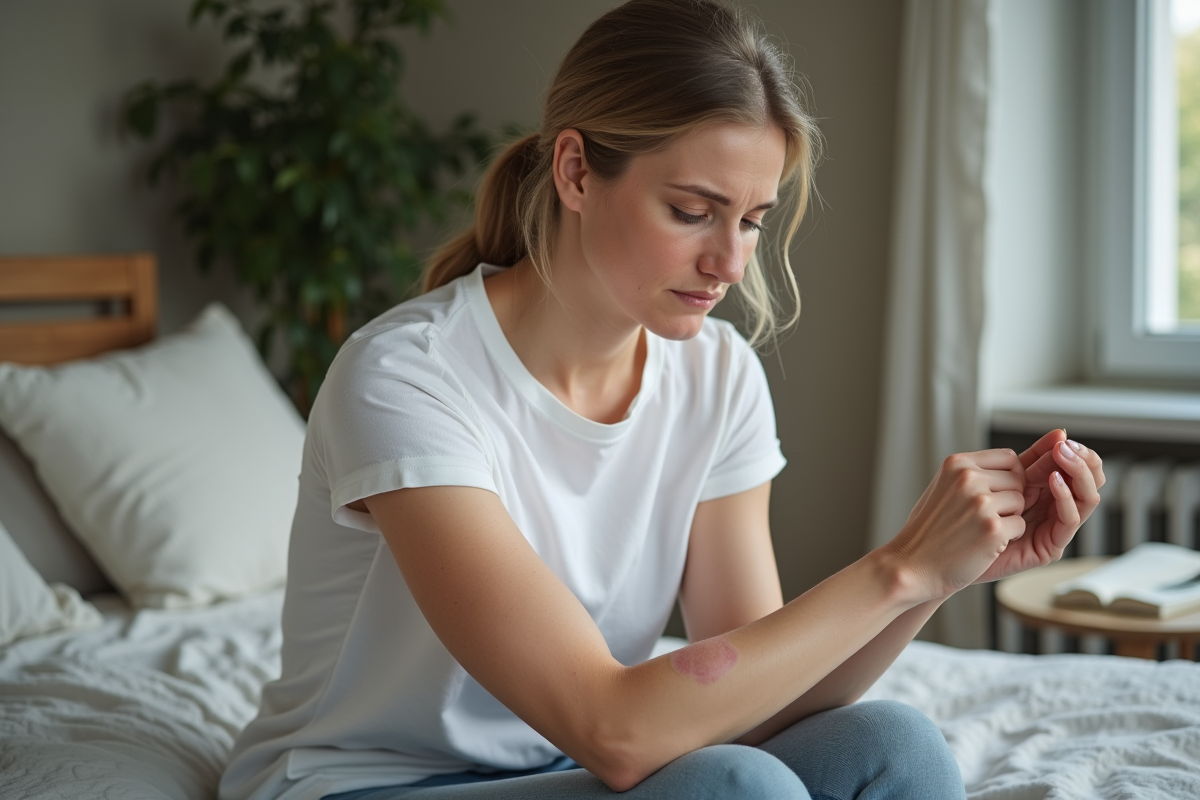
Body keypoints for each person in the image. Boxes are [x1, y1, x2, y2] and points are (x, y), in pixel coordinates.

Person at [220, 1, 1105, 798]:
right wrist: (897, 566)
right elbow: (615, 729)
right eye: (692, 211)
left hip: (574, 767)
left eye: (753, 219)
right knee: (732, 790)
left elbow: (763, 706)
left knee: (895, 745)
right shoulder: (406, 377)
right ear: (575, 170)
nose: (730, 262)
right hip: (371, 785)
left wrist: (936, 581)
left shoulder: (715, 376)